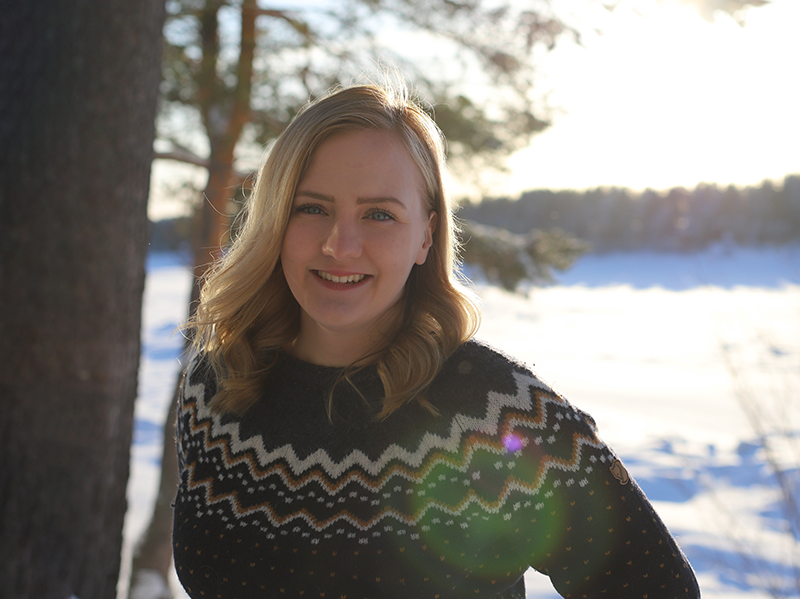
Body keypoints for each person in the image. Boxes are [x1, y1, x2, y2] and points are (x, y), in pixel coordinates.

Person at [172, 83, 700, 599]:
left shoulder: (495, 414)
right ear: (273, 218)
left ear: (425, 234)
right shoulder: (219, 385)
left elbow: (653, 585)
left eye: (379, 214)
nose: (340, 245)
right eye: (311, 208)